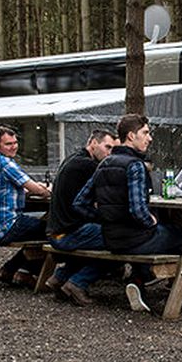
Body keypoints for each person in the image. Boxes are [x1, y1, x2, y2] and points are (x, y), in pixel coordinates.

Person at [74, 114, 182, 310]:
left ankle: (141, 283)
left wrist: (106, 219)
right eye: (145, 133)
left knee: (169, 236)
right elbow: (137, 209)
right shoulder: (135, 165)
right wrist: (151, 222)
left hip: (111, 238)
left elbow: (80, 203)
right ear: (131, 136)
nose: (150, 138)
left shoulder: (104, 163)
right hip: (135, 239)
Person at [45, 128, 117, 307]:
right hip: (68, 233)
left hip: (55, 231)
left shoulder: (72, 159)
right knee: (121, 239)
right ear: (93, 143)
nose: (109, 153)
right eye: (107, 147)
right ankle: (77, 283)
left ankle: (60, 278)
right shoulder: (88, 166)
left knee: (102, 237)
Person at [0, 125, 52, 283]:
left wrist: (31, 188)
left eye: (15, 142)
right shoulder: (6, 163)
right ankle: (26, 272)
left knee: (36, 226)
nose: (14, 147)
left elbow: (13, 188)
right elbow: (38, 191)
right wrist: (50, 190)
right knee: (52, 229)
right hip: (6, 226)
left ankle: (9, 269)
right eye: (8, 144)